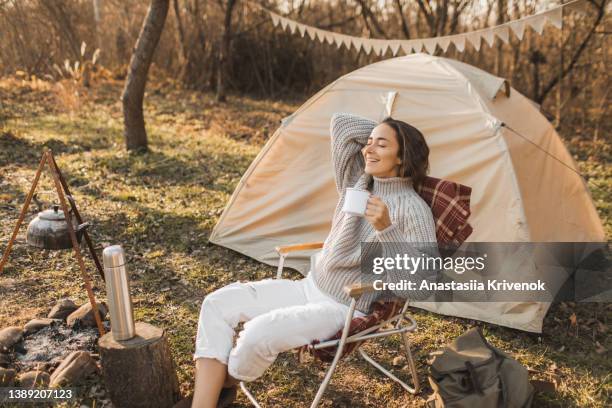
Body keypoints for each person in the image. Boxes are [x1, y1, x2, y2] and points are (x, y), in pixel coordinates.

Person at [190, 113, 438, 408]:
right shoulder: (358, 180)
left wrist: (387, 229)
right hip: (309, 285)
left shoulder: (413, 210)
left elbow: (423, 285)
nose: (367, 149)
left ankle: (224, 381)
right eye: (368, 143)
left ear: (402, 156)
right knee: (217, 304)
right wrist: (384, 131)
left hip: (343, 308)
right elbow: (341, 124)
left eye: (381, 145)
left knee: (257, 334)